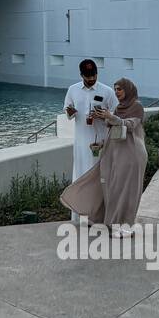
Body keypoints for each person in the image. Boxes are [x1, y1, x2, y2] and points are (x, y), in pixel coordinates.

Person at [60, 77, 147, 233]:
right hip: (114, 153)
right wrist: (102, 142)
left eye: (119, 89)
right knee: (109, 187)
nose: (117, 92)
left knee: (125, 190)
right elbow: (113, 130)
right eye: (115, 89)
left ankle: (123, 226)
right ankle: (106, 220)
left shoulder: (137, 107)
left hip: (131, 155)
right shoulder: (119, 108)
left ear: (128, 89)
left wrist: (109, 117)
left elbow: (130, 125)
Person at [63, 60, 118, 182]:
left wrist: (105, 115)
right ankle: (80, 197)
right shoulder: (73, 90)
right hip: (81, 140)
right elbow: (67, 111)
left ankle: (99, 198)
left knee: (100, 172)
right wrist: (70, 112)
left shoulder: (107, 91)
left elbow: (118, 113)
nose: (92, 78)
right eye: (88, 76)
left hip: (101, 140)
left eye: (94, 75)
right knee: (81, 170)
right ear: (81, 75)